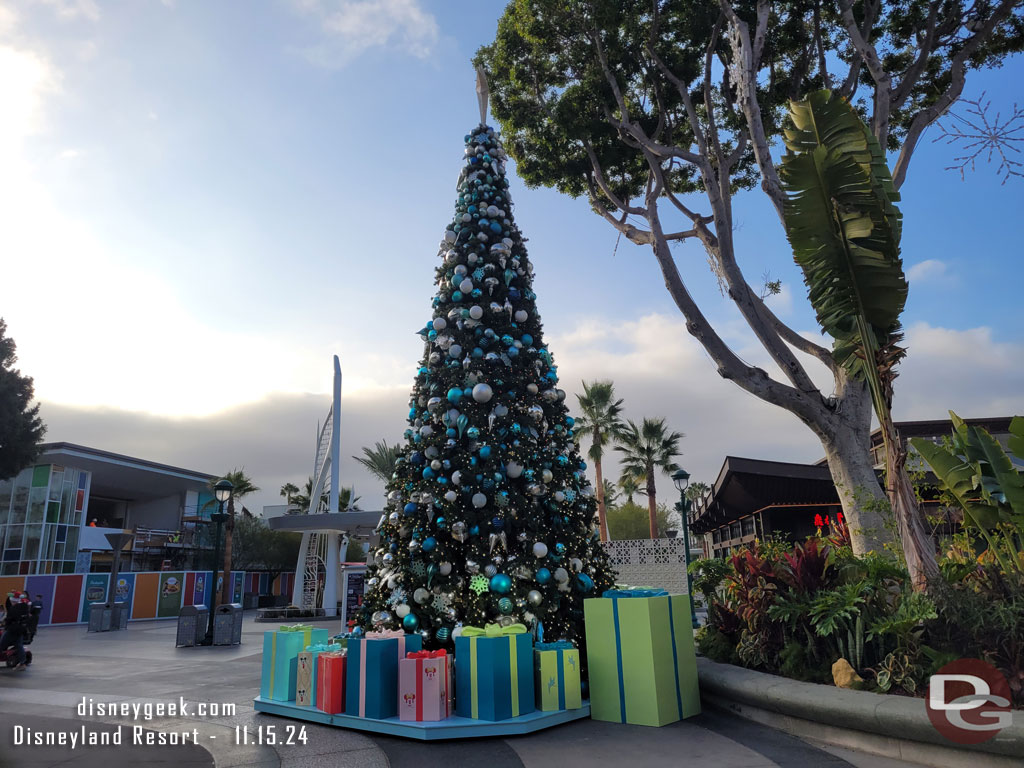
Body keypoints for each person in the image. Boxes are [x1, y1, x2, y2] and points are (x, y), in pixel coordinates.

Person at [1, 592, 30, 670]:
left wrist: (5, 624)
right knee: (19, 645)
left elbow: (9, 619)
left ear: (13, 600)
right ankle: (22, 663)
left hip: (12, 629)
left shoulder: (14, 608)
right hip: (20, 630)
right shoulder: (24, 607)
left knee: (1, 645)